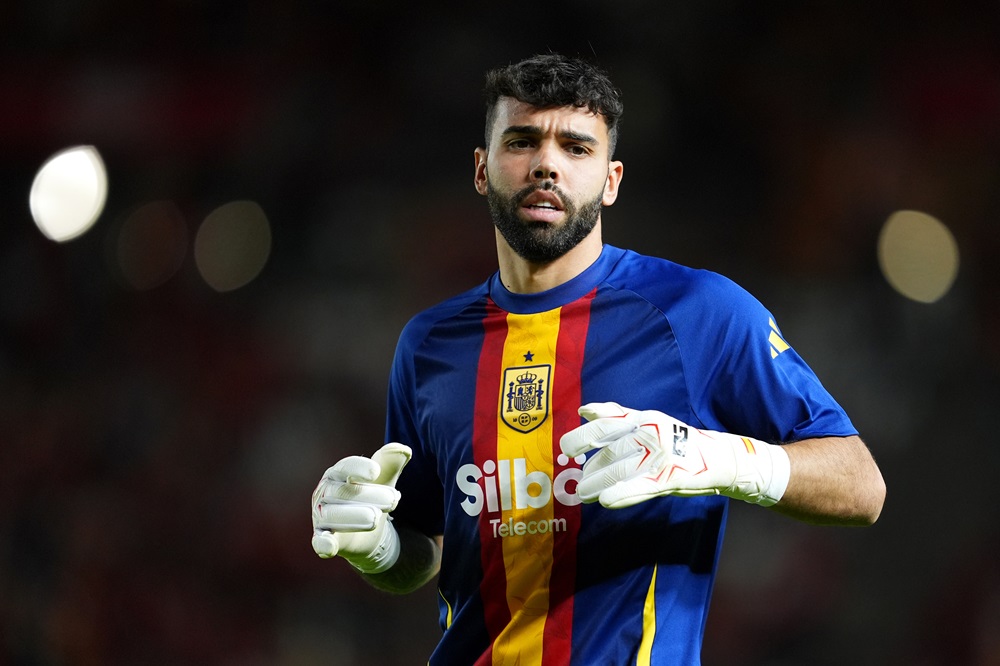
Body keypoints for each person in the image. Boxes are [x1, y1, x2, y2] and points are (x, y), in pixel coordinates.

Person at [310, 53, 886, 665]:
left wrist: (714, 457)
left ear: (611, 180)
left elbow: (861, 485)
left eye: (576, 147)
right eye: (522, 140)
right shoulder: (428, 345)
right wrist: (379, 550)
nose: (546, 164)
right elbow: (426, 553)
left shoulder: (698, 312)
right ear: (482, 169)